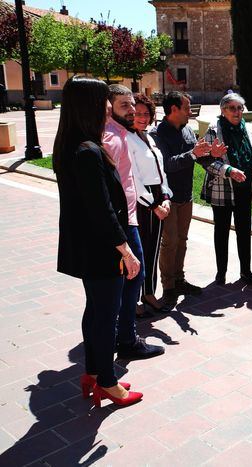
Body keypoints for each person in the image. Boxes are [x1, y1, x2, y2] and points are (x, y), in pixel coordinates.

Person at [54, 76, 142, 407]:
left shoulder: (71, 145)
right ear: (90, 105)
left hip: (87, 247)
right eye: (104, 99)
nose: (108, 105)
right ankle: (107, 382)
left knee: (95, 311)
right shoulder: (88, 151)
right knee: (105, 316)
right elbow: (102, 209)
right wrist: (126, 250)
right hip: (102, 248)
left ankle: (93, 372)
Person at [104, 84, 165, 360]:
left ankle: (124, 335)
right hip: (123, 219)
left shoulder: (127, 134)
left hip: (130, 215)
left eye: (134, 106)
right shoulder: (112, 138)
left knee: (133, 275)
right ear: (108, 107)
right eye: (124, 106)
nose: (132, 112)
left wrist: (163, 196)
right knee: (126, 278)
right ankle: (123, 338)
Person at [154, 91, 222, 309]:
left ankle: (179, 279)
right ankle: (168, 287)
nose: (189, 112)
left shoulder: (186, 130)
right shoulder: (158, 134)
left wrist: (212, 154)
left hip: (186, 195)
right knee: (170, 242)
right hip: (167, 198)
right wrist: (193, 154)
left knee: (182, 240)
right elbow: (166, 164)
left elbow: (198, 157)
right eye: (186, 107)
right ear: (173, 110)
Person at [201, 93, 252, 285]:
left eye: (240, 108)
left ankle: (246, 270)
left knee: (244, 231)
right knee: (221, 232)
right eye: (232, 108)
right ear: (223, 110)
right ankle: (221, 272)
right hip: (222, 189)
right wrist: (228, 170)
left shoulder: (249, 130)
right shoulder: (214, 130)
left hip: (244, 188)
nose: (237, 112)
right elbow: (205, 159)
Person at [126, 93, 173, 316]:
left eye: (146, 113)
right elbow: (133, 178)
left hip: (157, 196)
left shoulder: (148, 138)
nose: (142, 118)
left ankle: (149, 292)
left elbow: (160, 171)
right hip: (142, 201)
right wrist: (154, 204)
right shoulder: (126, 140)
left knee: (152, 249)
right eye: (137, 113)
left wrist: (165, 196)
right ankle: (133, 299)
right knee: (140, 250)